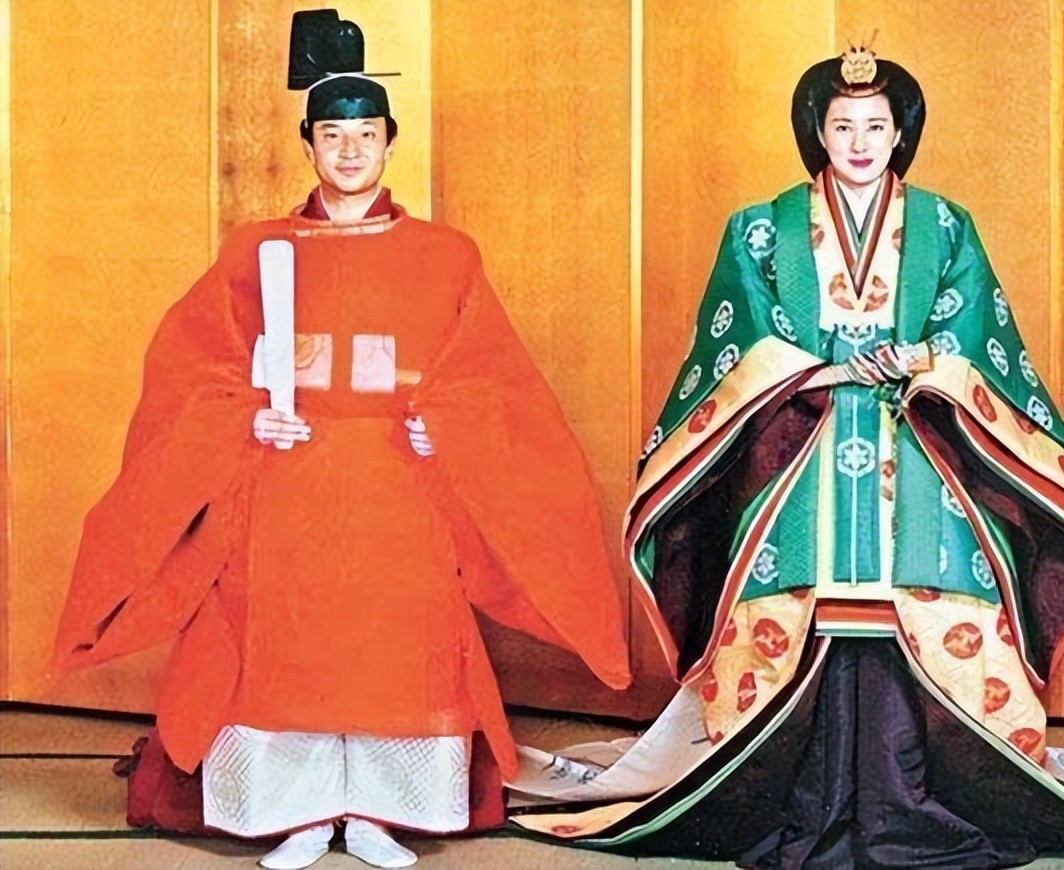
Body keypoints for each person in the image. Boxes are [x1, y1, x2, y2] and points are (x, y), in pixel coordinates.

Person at [507, 46, 1064, 867]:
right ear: (818, 132)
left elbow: (976, 327)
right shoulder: (760, 228)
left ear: (901, 133)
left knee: (938, 601)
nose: (861, 143)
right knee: (789, 607)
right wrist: (829, 370)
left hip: (915, 443)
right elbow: (739, 340)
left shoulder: (945, 225)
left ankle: (922, 792)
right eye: (843, 127)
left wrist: (924, 357)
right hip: (803, 449)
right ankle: (802, 792)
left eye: (876, 126)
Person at [50, 10, 630, 869]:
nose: (350, 151)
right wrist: (246, 417)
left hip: (401, 483)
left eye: (365, 135)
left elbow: (493, 381)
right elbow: (192, 373)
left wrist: (448, 427)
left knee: (395, 652)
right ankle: (297, 813)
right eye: (332, 135)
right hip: (286, 478)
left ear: (390, 142)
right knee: (283, 648)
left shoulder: (446, 254)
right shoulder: (255, 250)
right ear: (309, 144)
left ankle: (380, 815)